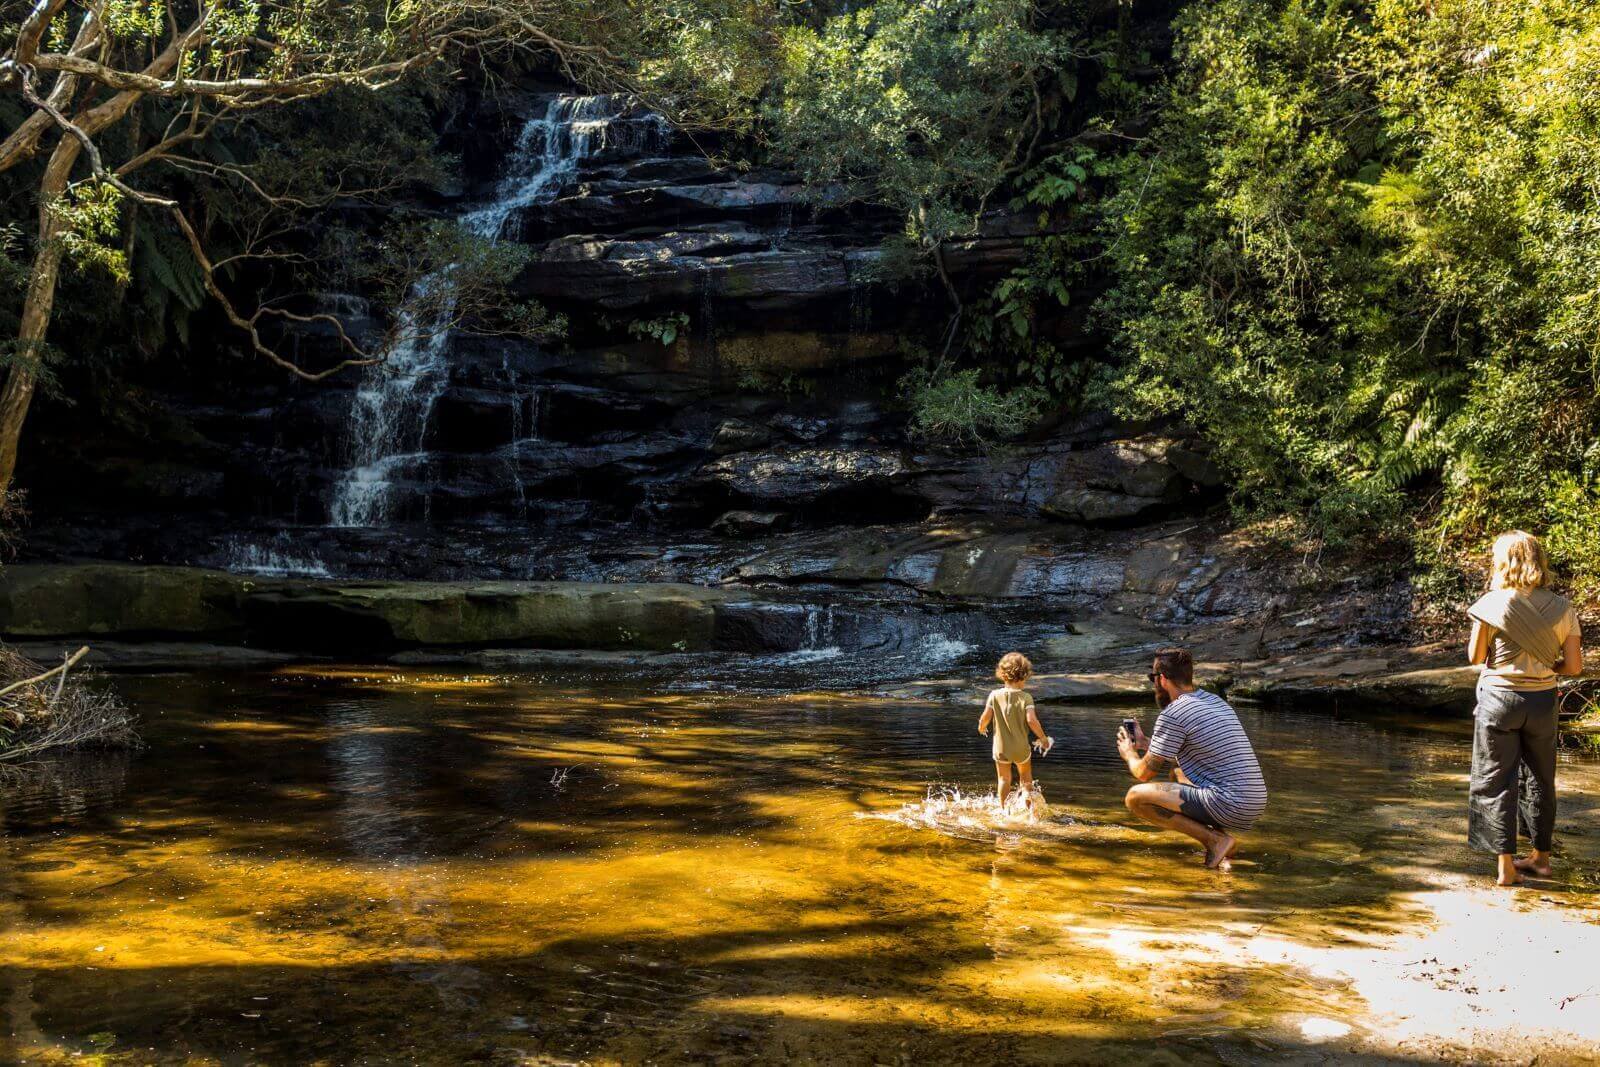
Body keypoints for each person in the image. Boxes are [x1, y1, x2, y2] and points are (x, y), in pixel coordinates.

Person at [1466, 530, 1582, 887]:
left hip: (1499, 700)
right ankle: (1541, 859)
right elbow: (1574, 667)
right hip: (1543, 702)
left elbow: (1475, 658)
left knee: (1495, 779)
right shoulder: (1564, 608)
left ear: (1503, 561)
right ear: (1537, 560)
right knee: (1542, 779)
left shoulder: (1490, 604)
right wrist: (1549, 667)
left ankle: (1505, 867)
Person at [1116, 648, 1268, 869]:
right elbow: (1192, 750)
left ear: (1163, 679)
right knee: (1177, 771)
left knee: (1135, 797)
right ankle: (1225, 845)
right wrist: (1145, 743)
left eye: (1153, 678)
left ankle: (1215, 840)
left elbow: (1143, 773)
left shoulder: (1173, 713)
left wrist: (1130, 754)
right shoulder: (1214, 701)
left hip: (1230, 803)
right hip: (1253, 802)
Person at [978, 652, 1052, 810]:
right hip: (1020, 748)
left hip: (1001, 748)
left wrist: (982, 727)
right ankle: (1029, 812)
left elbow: (985, 717)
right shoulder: (1026, 698)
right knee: (1026, 779)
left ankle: (1004, 811)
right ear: (1024, 676)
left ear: (1003, 675)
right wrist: (1043, 738)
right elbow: (1032, 721)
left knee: (1003, 779)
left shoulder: (994, 695)